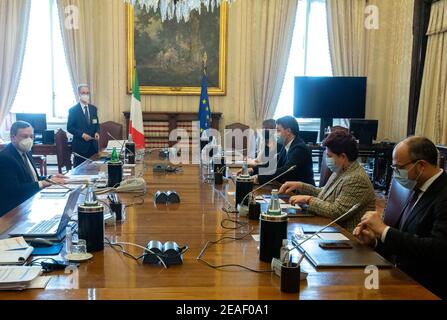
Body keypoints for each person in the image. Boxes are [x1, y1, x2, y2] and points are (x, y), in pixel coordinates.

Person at [353, 136, 447, 299]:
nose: (395, 174)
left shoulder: (443, 194)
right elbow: (406, 239)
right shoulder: (417, 187)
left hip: (426, 287)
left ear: (421, 166)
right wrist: (375, 241)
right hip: (400, 273)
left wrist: (383, 230)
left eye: (398, 168)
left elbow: (438, 249)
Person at [279, 130, 375, 232]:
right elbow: (325, 194)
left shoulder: (356, 179)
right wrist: (300, 186)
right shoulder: (341, 170)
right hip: (331, 228)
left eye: (329, 156)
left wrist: (308, 200)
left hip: (349, 237)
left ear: (343, 156)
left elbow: (336, 212)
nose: (327, 159)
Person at [0, 121, 67, 217]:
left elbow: (33, 179)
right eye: (24, 136)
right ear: (12, 138)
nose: (29, 140)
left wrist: (50, 177)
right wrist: (43, 183)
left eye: (31, 136)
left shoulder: (26, 151)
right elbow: (15, 190)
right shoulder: (5, 158)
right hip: (13, 212)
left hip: (30, 203)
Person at [244, 116, 314, 186]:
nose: (275, 133)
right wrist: (253, 170)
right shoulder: (286, 145)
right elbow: (272, 164)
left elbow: (285, 171)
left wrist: (258, 178)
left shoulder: (299, 148)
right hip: (287, 187)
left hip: (301, 192)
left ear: (288, 131)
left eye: (278, 130)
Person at [67, 84, 100, 167]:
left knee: (94, 171)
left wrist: (97, 132)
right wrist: (82, 135)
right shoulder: (73, 110)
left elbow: (97, 124)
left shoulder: (93, 109)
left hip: (93, 147)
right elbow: (70, 127)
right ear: (79, 94)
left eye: (87, 93)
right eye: (83, 93)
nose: (86, 95)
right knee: (80, 173)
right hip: (80, 147)